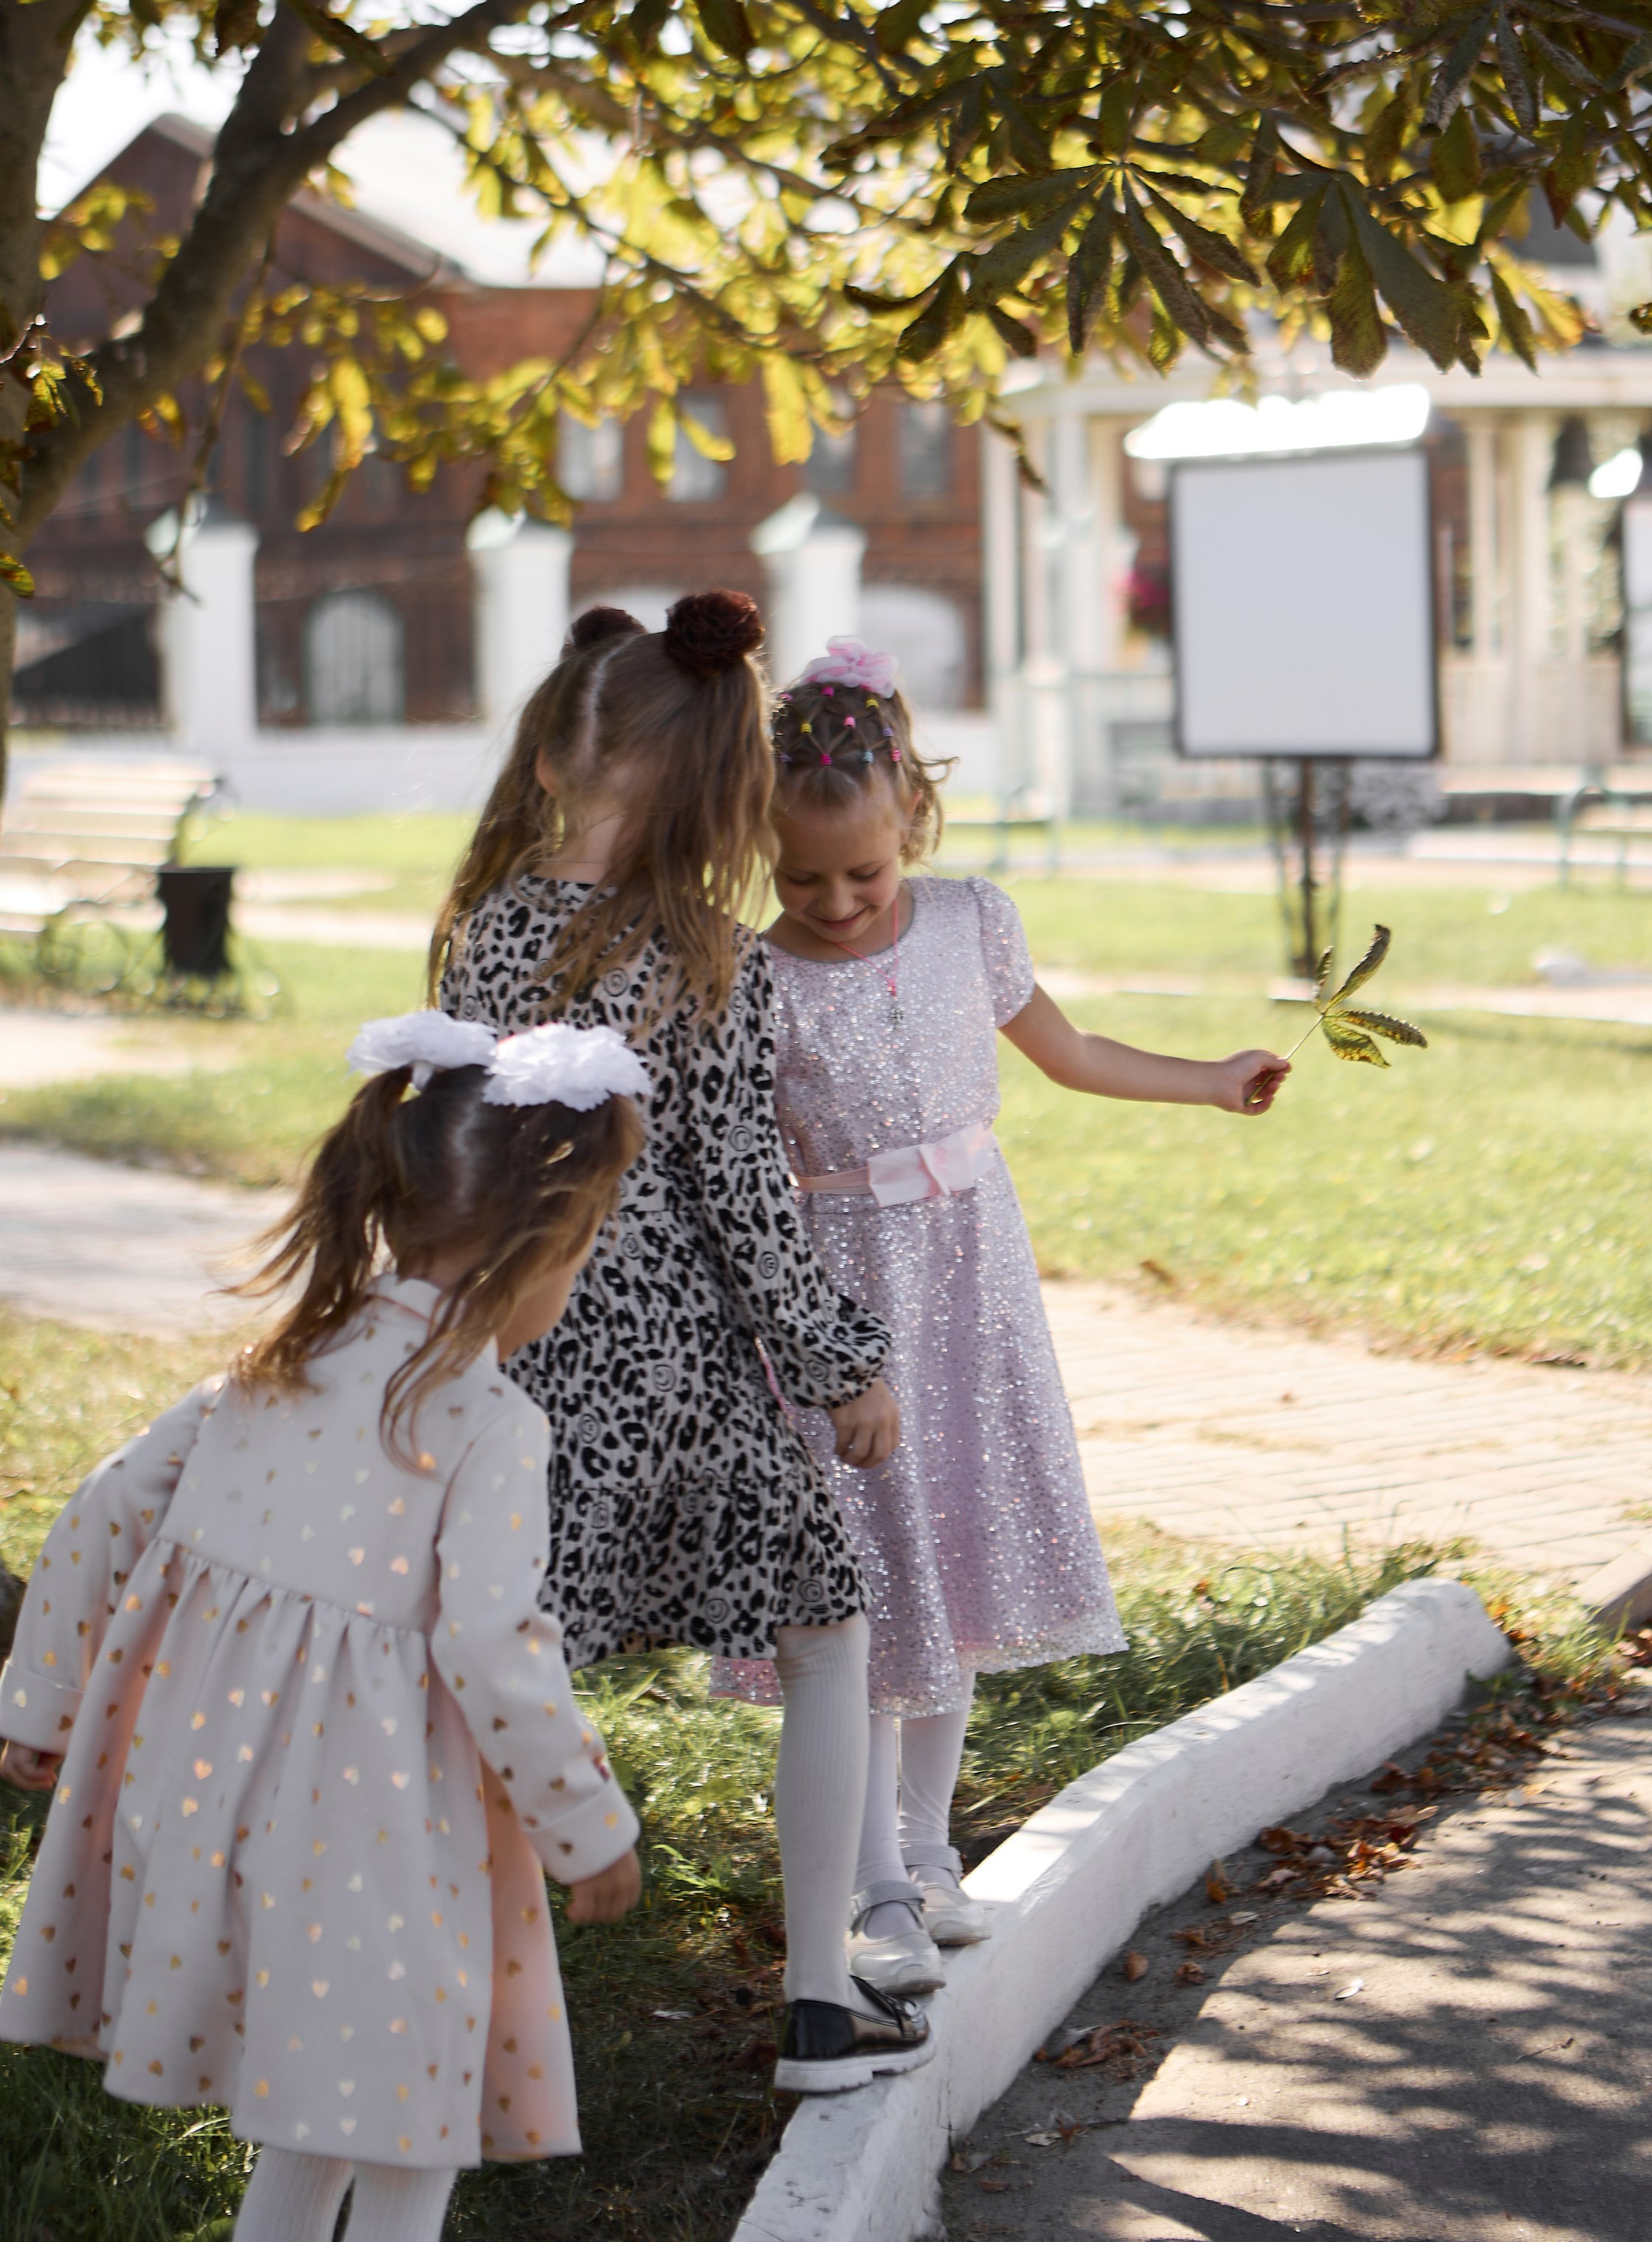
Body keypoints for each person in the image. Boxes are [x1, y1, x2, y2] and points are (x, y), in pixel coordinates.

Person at [0, 1008, 653, 2242]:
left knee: (330, 2112)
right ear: (540, 1248)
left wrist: (37, 1705)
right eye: (587, 1247)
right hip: (380, 1840)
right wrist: (586, 1827)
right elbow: (490, 1645)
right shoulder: (488, 1427)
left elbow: (96, 1519)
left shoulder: (265, 1370)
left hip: (206, 1814)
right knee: (408, 2128)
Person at [715, 636, 1292, 1995]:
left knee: (953, 1569)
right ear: (758, 851)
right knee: (857, 1582)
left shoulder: (976, 920)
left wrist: (1211, 1080)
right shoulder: (752, 976)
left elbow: (1073, 1054)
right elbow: (730, 1160)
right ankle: (867, 1893)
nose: (839, 900)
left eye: (864, 870)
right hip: (841, 1305)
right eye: (803, 878)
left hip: (971, 1287)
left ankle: (927, 1856)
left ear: (913, 816)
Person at [431, 588, 930, 2095]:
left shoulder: (476, 937)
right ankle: (821, 2004)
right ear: (718, 784)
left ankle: (453, 2013)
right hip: (684, 1375)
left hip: (505, 1363)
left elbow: (444, 1155)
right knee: (826, 1622)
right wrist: (846, 1363)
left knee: (505, 1662)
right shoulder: (710, 954)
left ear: (553, 757)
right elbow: (745, 1202)